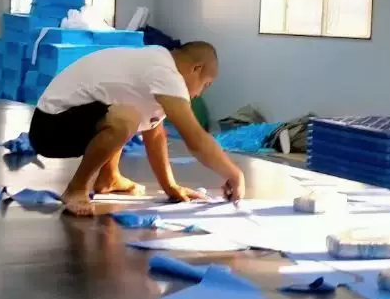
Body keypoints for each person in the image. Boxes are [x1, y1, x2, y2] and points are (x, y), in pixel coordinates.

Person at [29, 41, 246, 216]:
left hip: (63, 119)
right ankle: (76, 188)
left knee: (129, 114)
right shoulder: (165, 74)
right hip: (50, 128)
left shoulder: (158, 63)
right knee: (126, 119)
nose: (199, 94)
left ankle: (109, 177)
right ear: (196, 68)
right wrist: (235, 174)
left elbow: (155, 134)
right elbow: (195, 139)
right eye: (205, 84)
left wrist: (170, 187)